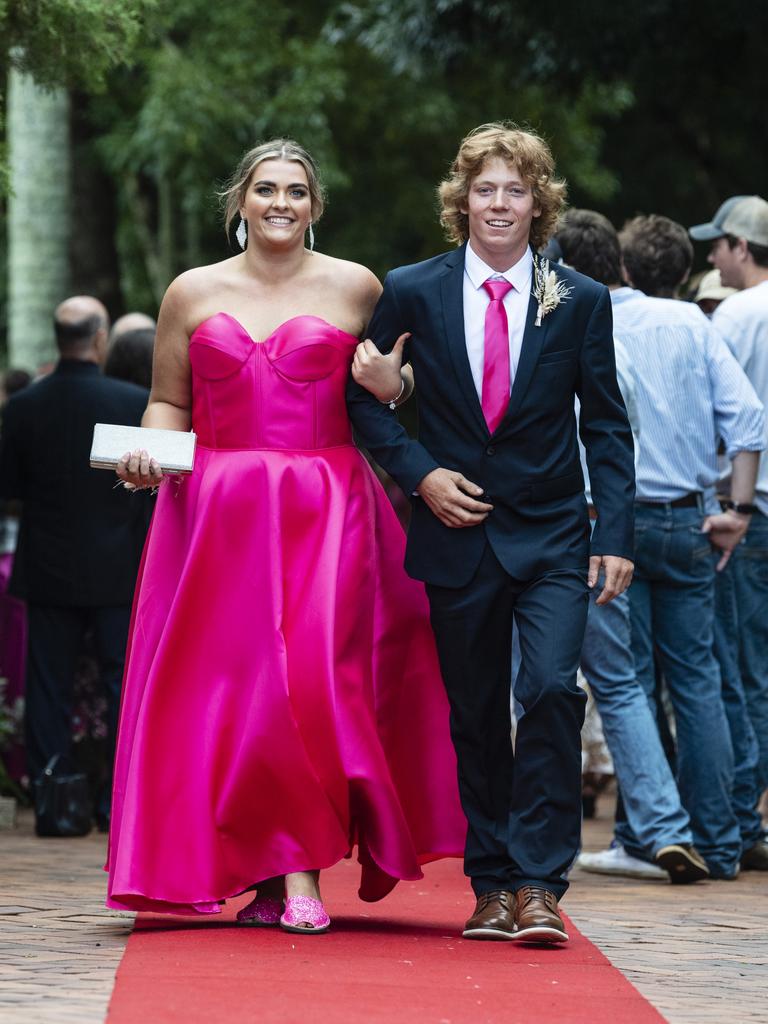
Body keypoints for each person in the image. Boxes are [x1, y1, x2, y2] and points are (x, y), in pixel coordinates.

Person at [107, 139, 465, 932]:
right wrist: (147, 453)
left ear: (315, 205)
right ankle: (272, 872)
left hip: (326, 515)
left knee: (307, 685)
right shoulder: (191, 292)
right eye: (265, 189)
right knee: (230, 693)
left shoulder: (357, 285)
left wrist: (393, 384)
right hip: (214, 517)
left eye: (295, 191)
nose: (280, 202)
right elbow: (169, 402)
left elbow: (395, 388)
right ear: (239, 201)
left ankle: (296, 876)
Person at [348, 123, 635, 943]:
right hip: (455, 532)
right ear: (461, 201)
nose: (499, 203)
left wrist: (614, 533)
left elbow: (608, 427)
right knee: (474, 714)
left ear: (538, 203)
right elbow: (365, 395)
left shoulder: (579, 298)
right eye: (485, 189)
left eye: (515, 189)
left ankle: (542, 883)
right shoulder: (410, 289)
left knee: (548, 690)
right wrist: (421, 476)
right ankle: (492, 881)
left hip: (551, 536)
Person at [549, 209, 707, 884]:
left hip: (563, 522)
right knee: (625, 683)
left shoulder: (552, 323)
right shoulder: (606, 333)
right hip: (612, 518)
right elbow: (625, 432)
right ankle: (665, 829)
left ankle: (637, 828)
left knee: (559, 682)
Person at [613, 214, 764, 879]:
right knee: (700, 682)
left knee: (633, 684)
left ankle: (653, 832)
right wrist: (736, 507)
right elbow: (748, 420)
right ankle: (722, 840)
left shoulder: (608, 322)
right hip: (691, 520)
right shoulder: (702, 326)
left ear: (624, 270)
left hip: (621, 521)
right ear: (682, 272)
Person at [0, 297, 149, 829]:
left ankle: (53, 804)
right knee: (120, 685)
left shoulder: (23, 407)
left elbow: (9, 488)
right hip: (118, 564)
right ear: (101, 338)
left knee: (47, 685)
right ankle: (117, 806)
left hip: (48, 565)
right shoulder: (133, 400)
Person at [690, 194, 768, 869]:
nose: (713, 256)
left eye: (720, 245)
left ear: (743, 248)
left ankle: (740, 820)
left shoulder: (738, 314)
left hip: (748, 508)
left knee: (737, 669)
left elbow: (732, 419)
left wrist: (730, 504)